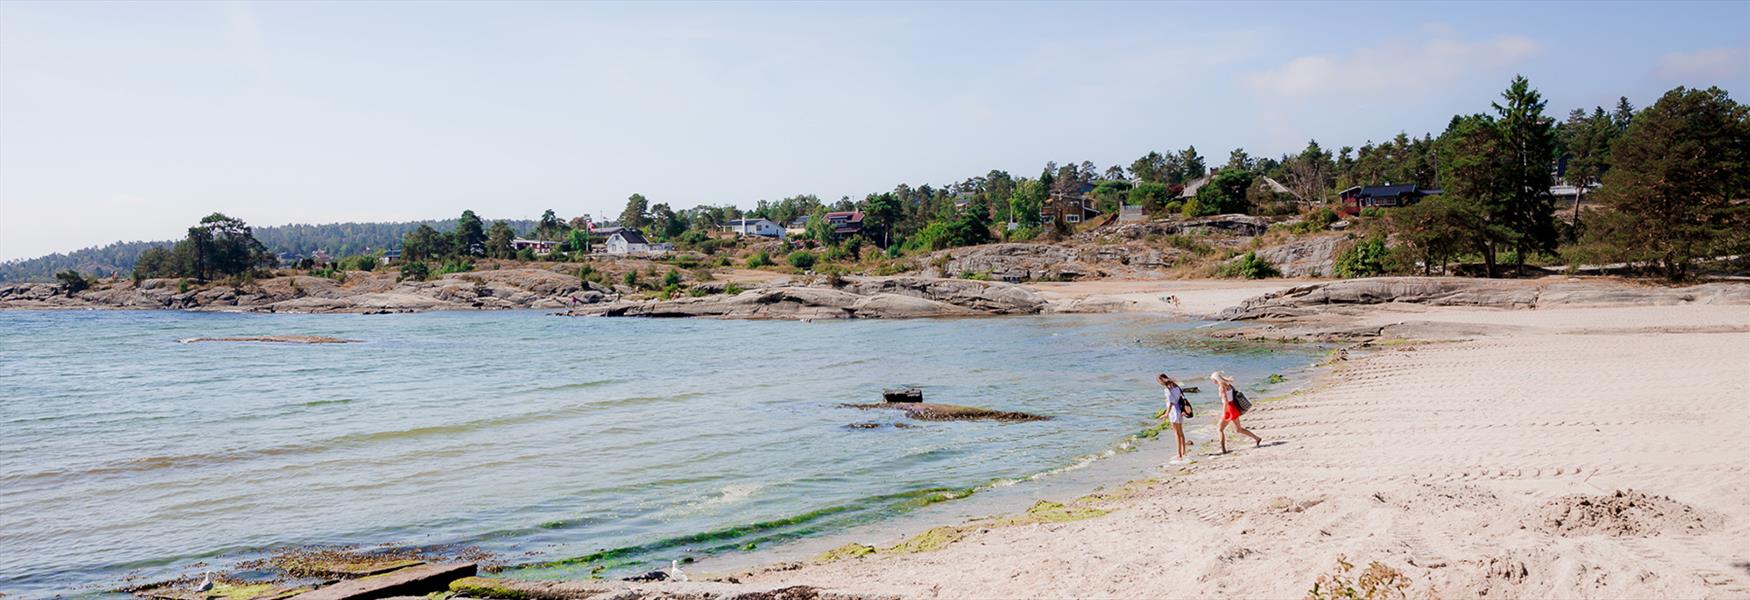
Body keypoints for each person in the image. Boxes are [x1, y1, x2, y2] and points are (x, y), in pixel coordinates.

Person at [1211, 371, 1262, 453]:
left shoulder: (1221, 387)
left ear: (1215, 379)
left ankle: (1223, 449)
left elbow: (1225, 401)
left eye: (1212, 379)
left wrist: (1224, 413)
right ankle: (1257, 438)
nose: (1212, 381)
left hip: (1228, 409)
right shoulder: (1229, 385)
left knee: (1220, 429)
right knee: (1238, 429)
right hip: (1234, 408)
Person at [1158, 374, 1191, 464]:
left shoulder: (1167, 390)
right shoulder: (1176, 387)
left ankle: (1179, 454)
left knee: (1176, 433)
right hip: (1179, 410)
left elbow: (1171, 403)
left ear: (1161, 381)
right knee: (1181, 432)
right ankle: (1183, 452)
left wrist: (1166, 414)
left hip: (1173, 412)